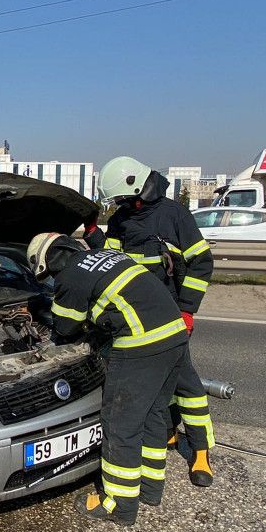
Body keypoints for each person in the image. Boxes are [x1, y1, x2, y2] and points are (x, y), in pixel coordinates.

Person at [27, 232, 197, 526]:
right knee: (154, 413)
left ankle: (119, 503)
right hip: (174, 336)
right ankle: (150, 488)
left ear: (46, 264)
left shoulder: (70, 276)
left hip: (141, 346)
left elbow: (66, 328)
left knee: (120, 425)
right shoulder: (108, 256)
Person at [86, 156, 216, 487]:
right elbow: (111, 261)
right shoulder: (120, 220)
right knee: (159, 384)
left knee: (185, 381)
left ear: (136, 187)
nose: (119, 206)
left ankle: (200, 450)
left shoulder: (174, 215)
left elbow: (201, 262)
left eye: (121, 199)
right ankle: (168, 431)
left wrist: (187, 309)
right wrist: (91, 234)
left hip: (172, 316)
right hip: (136, 318)